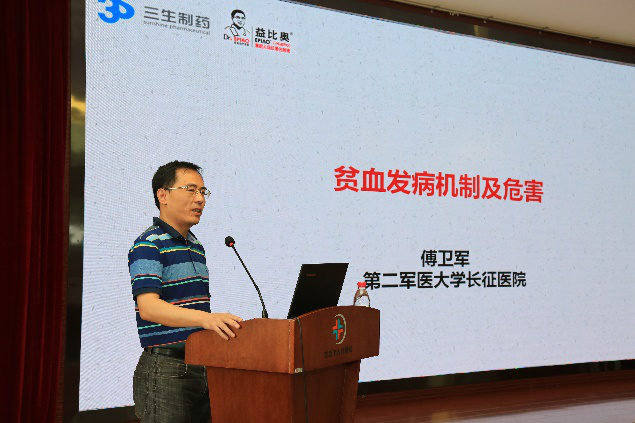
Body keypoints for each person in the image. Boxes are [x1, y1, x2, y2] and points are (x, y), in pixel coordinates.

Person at [129, 161, 243, 422]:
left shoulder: (195, 246)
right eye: (191, 190)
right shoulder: (148, 244)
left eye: (203, 192)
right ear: (163, 195)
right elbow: (149, 308)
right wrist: (207, 319)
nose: (200, 199)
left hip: (203, 365)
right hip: (166, 370)